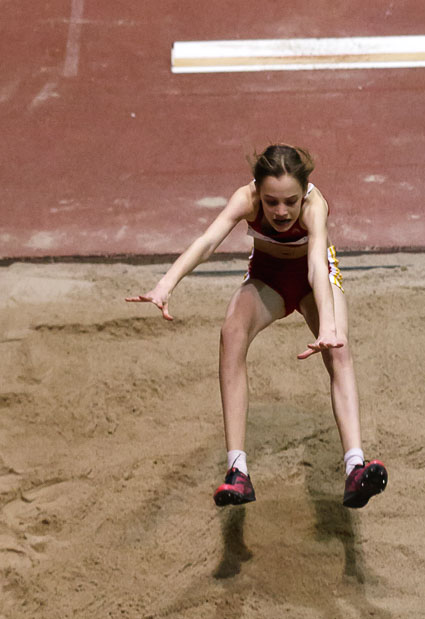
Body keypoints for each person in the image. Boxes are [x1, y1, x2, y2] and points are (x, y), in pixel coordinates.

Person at [126, 143, 387, 509]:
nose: (281, 211)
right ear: (258, 192)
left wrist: (327, 327)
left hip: (315, 283)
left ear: (304, 194)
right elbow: (207, 242)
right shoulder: (244, 199)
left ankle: (355, 467)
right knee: (231, 334)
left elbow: (316, 266)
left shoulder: (316, 207)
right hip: (269, 280)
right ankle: (237, 471)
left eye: (290, 202)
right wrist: (165, 285)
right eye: (271, 202)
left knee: (338, 350)